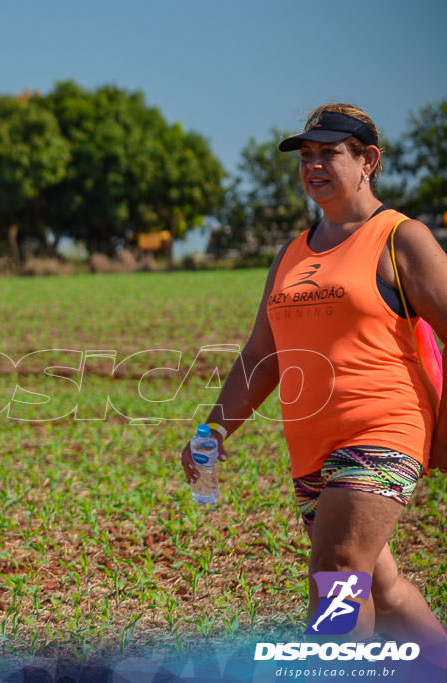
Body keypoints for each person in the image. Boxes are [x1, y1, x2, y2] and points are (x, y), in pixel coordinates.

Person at [181, 103, 447, 664]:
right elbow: (261, 356)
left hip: (384, 428)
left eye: (329, 153)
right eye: (306, 156)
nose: (313, 165)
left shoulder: (402, 238)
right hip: (311, 446)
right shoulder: (292, 253)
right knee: (381, 589)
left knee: (337, 572)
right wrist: (212, 429)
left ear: (368, 160)